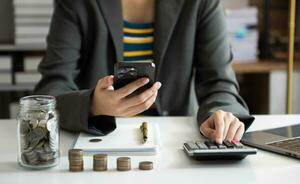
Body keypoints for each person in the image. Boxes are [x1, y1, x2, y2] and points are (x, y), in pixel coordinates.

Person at [34, 0, 254, 144]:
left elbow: (220, 82)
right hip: (97, 141)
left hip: (173, 144)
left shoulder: (201, 3)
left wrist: (222, 113)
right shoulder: (76, 3)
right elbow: (52, 85)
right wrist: (92, 105)